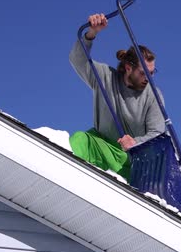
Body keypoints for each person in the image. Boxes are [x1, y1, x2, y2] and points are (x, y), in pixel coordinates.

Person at [68, 13, 165, 181]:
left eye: (151, 73)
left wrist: (135, 143)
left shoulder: (153, 95)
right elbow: (77, 60)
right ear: (128, 68)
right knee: (78, 139)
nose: (149, 78)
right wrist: (91, 33)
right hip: (99, 144)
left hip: (128, 158)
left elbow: (157, 133)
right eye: (144, 73)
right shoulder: (105, 77)